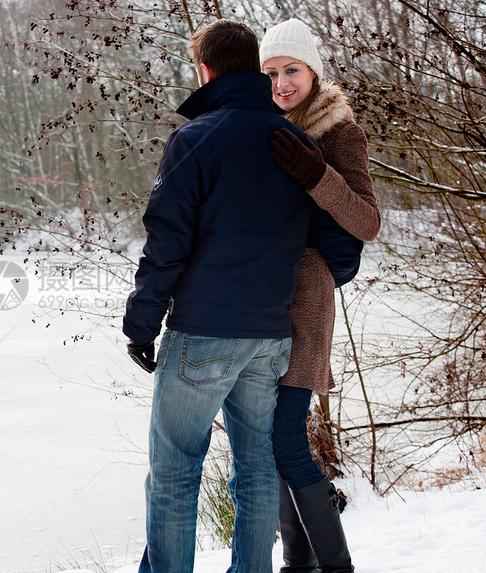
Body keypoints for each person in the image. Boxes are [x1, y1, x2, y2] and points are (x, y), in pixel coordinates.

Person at [123, 19, 356, 573]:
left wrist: (140, 322)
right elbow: (330, 233)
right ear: (254, 68)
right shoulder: (295, 143)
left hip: (205, 330)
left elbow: (167, 243)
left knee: (176, 470)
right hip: (271, 335)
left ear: (204, 69)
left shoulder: (195, 139)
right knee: (255, 470)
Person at [260, 18, 382, 573]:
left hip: (307, 296)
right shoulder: (260, 126)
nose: (281, 83)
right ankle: (298, 564)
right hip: (260, 299)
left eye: (291, 70)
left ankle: (334, 568)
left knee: (284, 433)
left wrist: (317, 174)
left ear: (313, 71)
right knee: (271, 438)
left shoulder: (339, 131)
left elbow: (366, 221)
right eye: (270, 73)